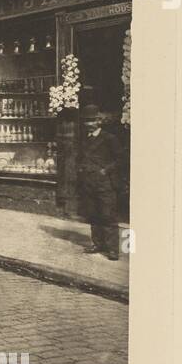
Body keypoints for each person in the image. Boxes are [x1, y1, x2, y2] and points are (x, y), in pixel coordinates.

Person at [77, 104, 124, 260]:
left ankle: (112, 250)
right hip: (89, 182)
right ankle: (98, 244)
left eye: (91, 121)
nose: (88, 124)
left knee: (108, 215)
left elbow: (120, 160)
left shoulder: (109, 138)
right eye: (86, 121)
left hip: (105, 183)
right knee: (93, 214)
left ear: (99, 121)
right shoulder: (85, 138)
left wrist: (105, 171)